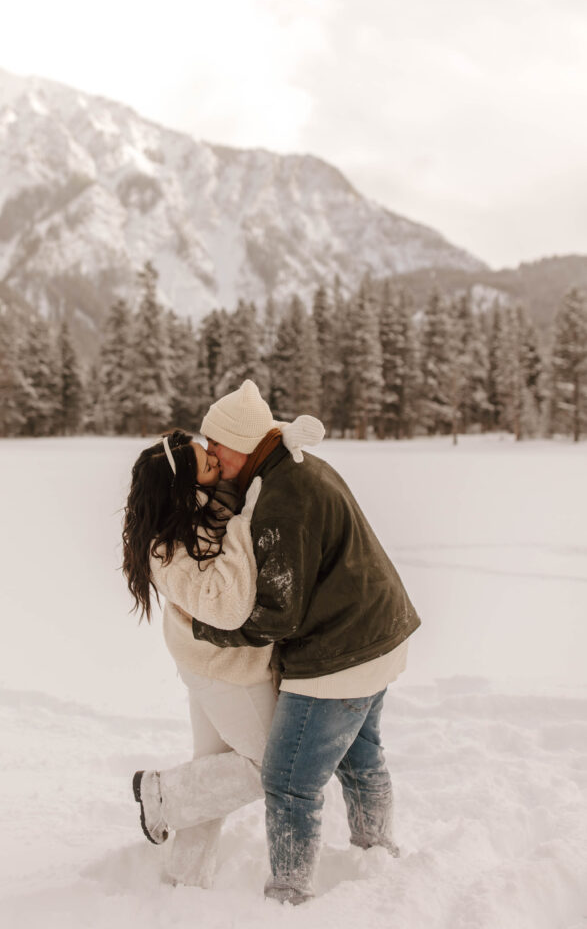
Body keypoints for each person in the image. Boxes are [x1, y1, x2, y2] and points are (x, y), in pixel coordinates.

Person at [191, 380, 421, 905]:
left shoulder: (283, 497)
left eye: (215, 445)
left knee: (289, 779)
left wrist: (208, 628)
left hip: (342, 652)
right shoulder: (292, 469)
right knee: (361, 755)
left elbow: (278, 614)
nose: (209, 455)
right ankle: (375, 850)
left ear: (244, 444)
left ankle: (289, 894)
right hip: (380, 634)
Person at [122, 421, 323, 888]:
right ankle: (161, 796)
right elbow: (227, 607)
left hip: (208, 664)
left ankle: (184, 878)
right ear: (184, 489)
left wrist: (283, 437)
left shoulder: (205, 510)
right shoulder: (168, 547)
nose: (218, 461)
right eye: (208, 464)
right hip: (226, 670)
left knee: (208, 773)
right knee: (271, 768)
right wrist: (243, 524)